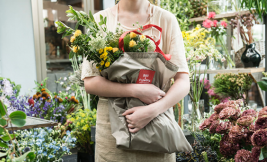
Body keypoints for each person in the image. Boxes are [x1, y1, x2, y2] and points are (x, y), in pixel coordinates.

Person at [81, 0, 190, 161]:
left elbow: (183, 81)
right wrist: (136, 90)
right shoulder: (100, 21)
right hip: (112, 137)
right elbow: (90, 82)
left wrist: (152, 111)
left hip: (158, 133)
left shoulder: (166, 20)